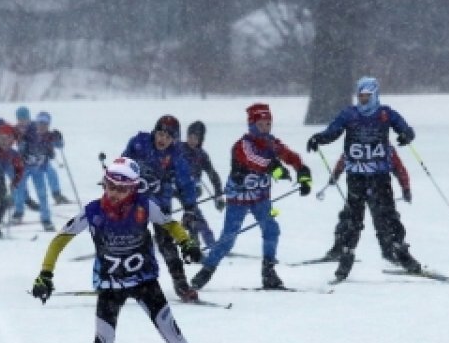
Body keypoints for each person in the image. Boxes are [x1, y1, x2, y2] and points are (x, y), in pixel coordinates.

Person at [29, 157, 227, 343]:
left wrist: (187, 243)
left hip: (145, 282)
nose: (115, 193)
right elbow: (58, 241)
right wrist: (46, 275)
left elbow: (171, 225)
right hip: (110, 286)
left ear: (134, 189)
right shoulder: (94, 211)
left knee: (173, 333)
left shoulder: (145, 206)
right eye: (111, 186)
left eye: (122, 189)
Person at [305, 76, 421, 282]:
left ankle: (401, 253)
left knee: (388, 217)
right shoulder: (349, 114)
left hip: (380, 176)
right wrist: (318, 139)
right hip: (356, 176)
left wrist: (406, 135)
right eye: (361, 96)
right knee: (352, 219)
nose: (363, 100)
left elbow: (406, 129)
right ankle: (345, 256)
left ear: (375, 95)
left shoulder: (386, 114)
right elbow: (333, 132)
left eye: (367, 96)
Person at [191, 103, 312, 291]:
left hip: (261, 198)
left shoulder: (272, 143)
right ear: (252, 125)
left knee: (271, 230)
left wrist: (302, 171)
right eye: (261, 124)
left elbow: (289, 156)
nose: (265, 128)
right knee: (228, 239)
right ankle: (206, 271)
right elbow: (253, 160)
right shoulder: (242, 145)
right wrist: (274, 167)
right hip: (238, 198)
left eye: (268, 124)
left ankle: (269, 272)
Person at [121, 114, 202, 301]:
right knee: (127, 242)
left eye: (168, 136)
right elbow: (123, 163)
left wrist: (190, 208)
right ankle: (119, 282)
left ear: (174, 139)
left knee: (167, 245)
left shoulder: (176, 155)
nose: (162, 139)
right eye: (160, 134)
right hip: (134, 203)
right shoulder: (139, 143)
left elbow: (186, 183)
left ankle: (181, 284)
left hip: (160, 204)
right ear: (154, 132)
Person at [12, 109, 64, 231]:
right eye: (40, 123)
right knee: (19, 191)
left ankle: (46, 219)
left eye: (45, 124)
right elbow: (16, 139)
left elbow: (60, 146)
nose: (42, 126)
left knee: (42, 194)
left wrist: (59, 138)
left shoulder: (49, 135)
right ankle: (18, 212)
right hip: (23, 167)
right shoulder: (29, 131)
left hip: (38, 169)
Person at [180, 120, 224, 248]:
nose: (192, 140)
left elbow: (213, 175)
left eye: (195, 138)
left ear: (200, 140)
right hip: (174, 186)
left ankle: (206, 241)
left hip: (191, 190)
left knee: (194, 214)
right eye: (190, 137)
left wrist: (218, 195)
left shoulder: (201, 155)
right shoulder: (178, 149)